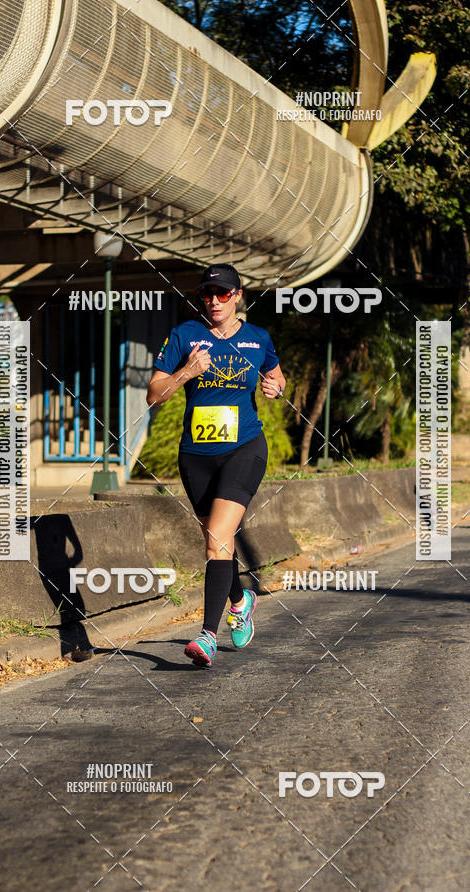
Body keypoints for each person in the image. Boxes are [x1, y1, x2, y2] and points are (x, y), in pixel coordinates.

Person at [146, 264, 286, 668]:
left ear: (238, 295)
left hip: (244, 447)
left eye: (223, 293)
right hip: (196, 455)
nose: (214, 300)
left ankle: (207, 636)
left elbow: (277, 382)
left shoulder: (258, 339)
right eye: (208, 293)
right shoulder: (184, 336)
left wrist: (274, 390)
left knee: (216, 540)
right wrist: (187, 370)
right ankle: (241, 601)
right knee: (218, 543)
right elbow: (154, 396)